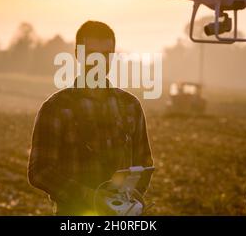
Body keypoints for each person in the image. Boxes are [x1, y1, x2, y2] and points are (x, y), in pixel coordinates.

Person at [27, 20, 154, 215]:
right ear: (78, 55)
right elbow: (40, 171)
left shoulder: (131, 106)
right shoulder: (56, 108)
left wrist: (130, 197)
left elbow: (144, 161)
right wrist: (89, 196)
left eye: (105, 55)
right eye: (91, 54)